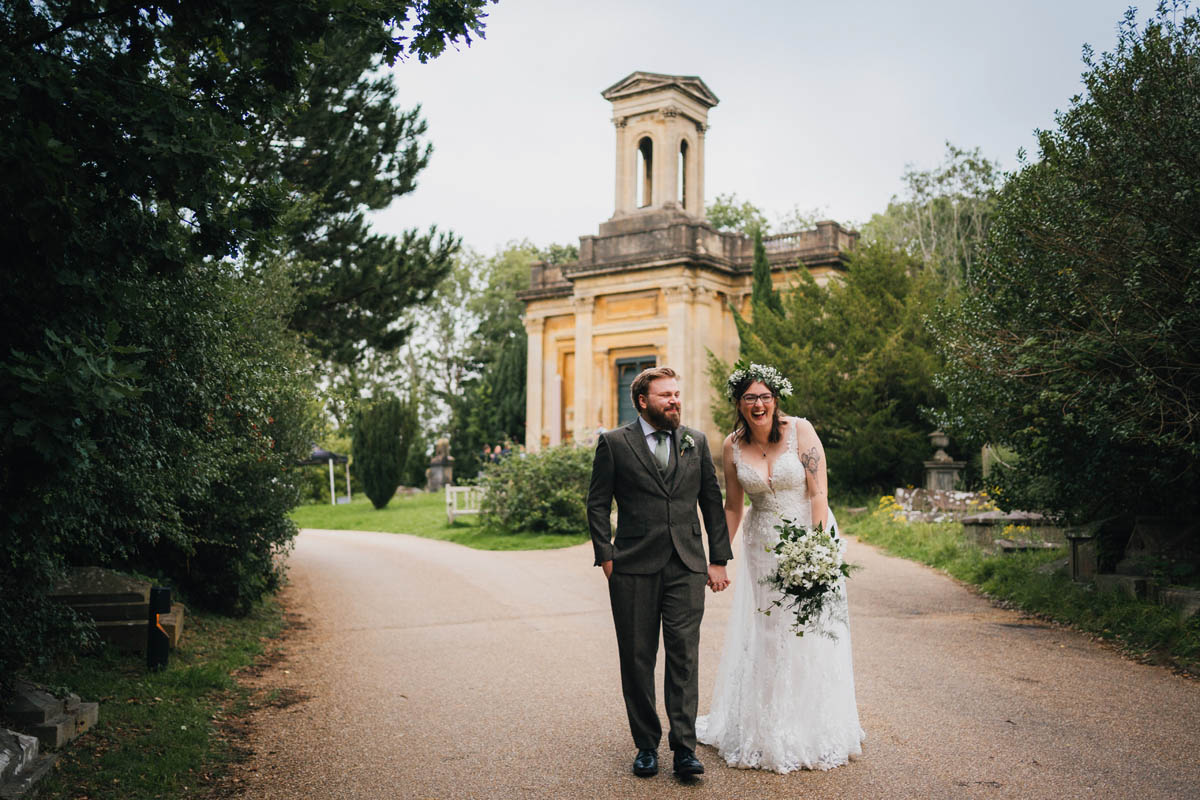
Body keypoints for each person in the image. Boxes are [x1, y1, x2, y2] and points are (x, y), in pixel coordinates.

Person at [696, 364, 865, 772]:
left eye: (765, 396)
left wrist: (818, 549)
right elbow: (734, 506)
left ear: (776, 398)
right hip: (763, 544)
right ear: (739, 403)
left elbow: (818, 491)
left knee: (814, 631)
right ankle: (769, 726)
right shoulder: (732, 446)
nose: (759, 404)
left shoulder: (800, 431)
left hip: (809, 535)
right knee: (771, 634)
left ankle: (814, 725)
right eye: (750, 398)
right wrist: (718, 556)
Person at [587, 366, 734, 779]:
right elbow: (597, 503)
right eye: (665, 395)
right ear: (642, 401)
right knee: (637, 658)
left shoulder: (696, 441)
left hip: (686, 565)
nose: (674, 400)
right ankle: (646, 746)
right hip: (632, 566)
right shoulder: (614, 444)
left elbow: (711, 500)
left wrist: (718, 557)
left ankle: (685, 749)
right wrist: (607, 556)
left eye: (676, 394)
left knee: (684, 657)